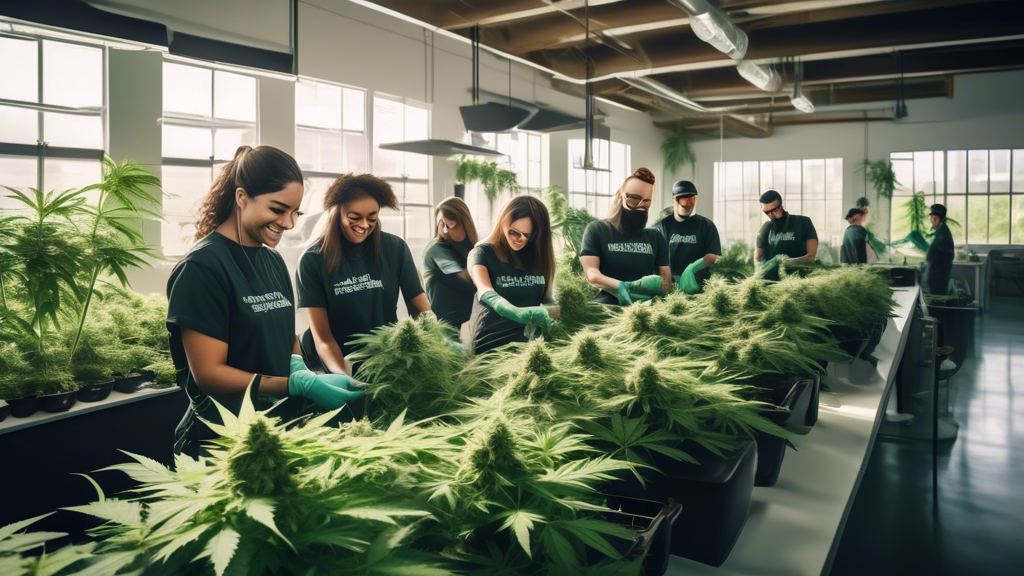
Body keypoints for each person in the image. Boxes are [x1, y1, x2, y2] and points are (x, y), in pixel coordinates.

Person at [167, 146, 362, 457]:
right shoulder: (202, 268)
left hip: (276, 431)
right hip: (222, 442)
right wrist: (294, 385)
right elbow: (209, 374)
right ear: (242, 197)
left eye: (295, 212)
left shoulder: (272, 261)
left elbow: (287, 338)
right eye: (277, 209)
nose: (288, 223)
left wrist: (304, 371)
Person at [296, 173, 429, 376]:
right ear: (337, 212)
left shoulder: (395, 248)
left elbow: (421, 308)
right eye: (355, 218)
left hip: (388, 362)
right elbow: (322, 339)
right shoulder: (313, 260)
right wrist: (344, 376)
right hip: (337, 363)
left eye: (372, 218)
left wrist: (438, 338)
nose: (364, 225)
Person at [468, 196, 558, 354]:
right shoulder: (482, 253)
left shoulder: (539, 258)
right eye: (514, 233)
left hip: (528, 347)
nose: (520, 240)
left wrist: (554, 312)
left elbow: (547, 298)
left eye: (528, 235)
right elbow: (485, 291)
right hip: (491, 346)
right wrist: (514, 311)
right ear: (503, 222)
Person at [580, 167, 671, 305]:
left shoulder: (655, 237)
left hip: (644, 306)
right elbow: (592, 273)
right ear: (621, 196)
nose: (641, 206)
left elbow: (666, 280)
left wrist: (658, 291)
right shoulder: (597, 230)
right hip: (607, 304)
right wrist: (622, 286)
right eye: (635, 198)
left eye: (647, 201)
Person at [654, 180, 721, 294]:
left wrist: (693, 268)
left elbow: (713, 255)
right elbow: (656, 258)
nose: (687, 204)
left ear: (695, 200)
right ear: (674, 200)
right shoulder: (661, 227)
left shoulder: (706, 225)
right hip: (671, 288)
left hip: (698, 287)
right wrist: (668, 279)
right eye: (683, 200)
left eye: (691, 199)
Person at [422, 197, 478, 329]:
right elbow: (465, 284)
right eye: (441, 225)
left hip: (470, 321)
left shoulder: (471, 248)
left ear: (464, 223)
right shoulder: (436, 249)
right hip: (446, 326)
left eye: (450, 224)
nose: (445, 230)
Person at [755, 190, 818, 280]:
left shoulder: (803, 222)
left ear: (781, 206)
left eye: (774, 210)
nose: (771, 215)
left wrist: (782, 262)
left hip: (799, 281)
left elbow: (811, 258)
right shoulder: (766, 228)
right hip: (772, 283)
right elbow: (758, 258)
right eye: (766, 212)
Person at [922, 203, 955, 295]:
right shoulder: (942, 230)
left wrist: (922, 244)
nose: (931, 220)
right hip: (937, 274)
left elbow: (933, 252)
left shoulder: (943, 233)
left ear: (936, 218)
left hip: (938, 276)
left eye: (931, 217)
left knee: (936, 299)